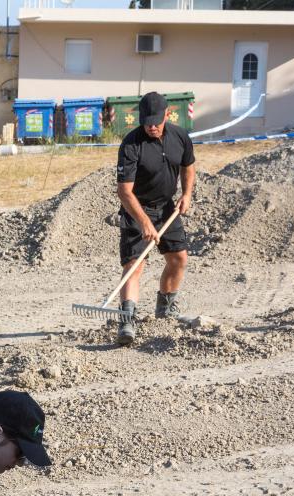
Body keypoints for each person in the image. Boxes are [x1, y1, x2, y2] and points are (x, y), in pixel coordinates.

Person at [115, 91, 196, 346]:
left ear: (166, 115)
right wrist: (144, 223)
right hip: (136, 208)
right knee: (134, 265)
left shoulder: (180, 137)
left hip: (167, 209)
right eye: (146, 120)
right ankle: (127, 321)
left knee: (178, 258)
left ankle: (165, 310)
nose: (151, 126)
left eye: (156, 121)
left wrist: (187, 194)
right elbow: (124, 192)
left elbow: (188, 166)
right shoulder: (131, 144)